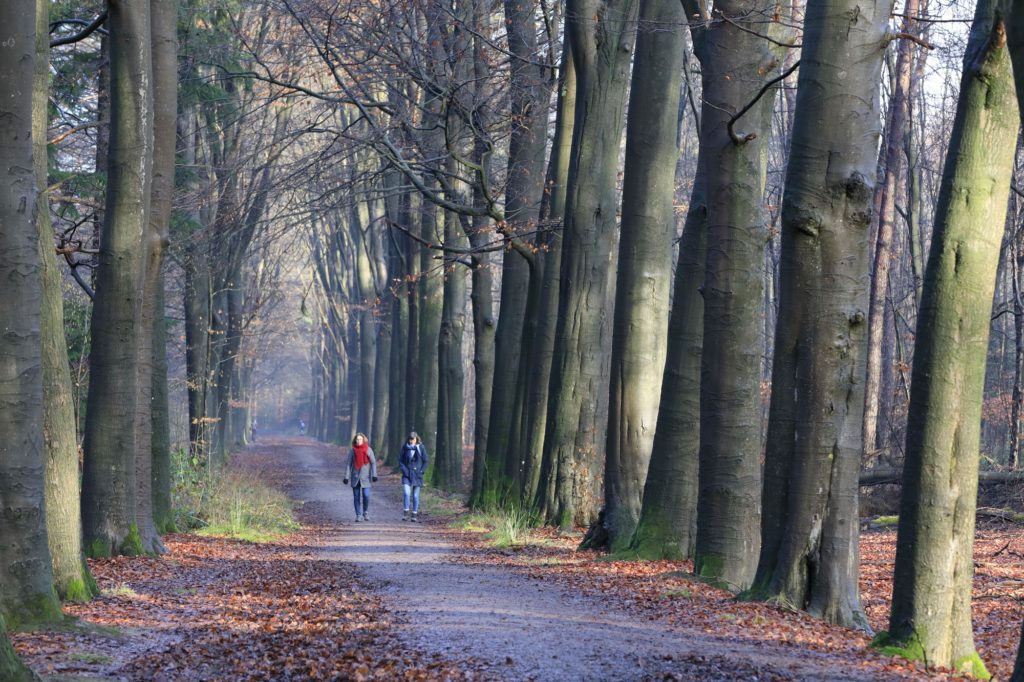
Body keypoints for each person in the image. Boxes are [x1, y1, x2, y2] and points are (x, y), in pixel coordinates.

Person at [343, 432, 377, 522]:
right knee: (356, 497)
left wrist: (374, 475)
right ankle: (358, 514)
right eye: (357, 439)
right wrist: (346, 477)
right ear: (355, 440)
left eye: (360, 439)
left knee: (366, 495)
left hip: (366, 477)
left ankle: (365, 512)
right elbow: (349, 464)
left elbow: (373, 462)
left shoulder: (368, 449)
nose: (358, 441)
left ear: (363, 440)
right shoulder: (352, 450)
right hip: (355, 477)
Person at [399, 431, 428, 522]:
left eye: (413, 439)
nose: (411, 441)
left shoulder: (421, 448)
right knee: (406, 493)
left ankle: (414, 514)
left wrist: (421, 471)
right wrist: (404, 470)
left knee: (415, 496)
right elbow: (400, 461)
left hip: (417, 475)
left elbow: (425, 461)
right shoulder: (405, 447)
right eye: (410, 439)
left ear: (416, 439)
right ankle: (406, 513)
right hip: (406, 475)